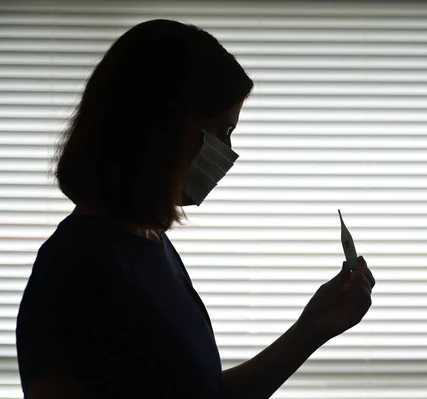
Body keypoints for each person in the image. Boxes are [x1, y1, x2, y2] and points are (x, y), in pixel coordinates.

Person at [15, 19, 375, 399]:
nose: (227, 152)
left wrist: (310, 330)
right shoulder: (77, 267)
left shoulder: (151, 244)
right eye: (221, 132)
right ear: (159, 128)